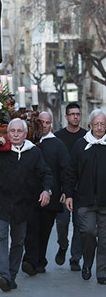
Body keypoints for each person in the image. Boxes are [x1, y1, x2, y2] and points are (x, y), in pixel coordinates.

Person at [0, 118, 53, 292]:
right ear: (7, 133)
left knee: (18, 242)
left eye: (19, 131)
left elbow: (45, 173)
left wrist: (46, 190)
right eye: (12, 131)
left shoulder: (33, 152)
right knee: (1, 238)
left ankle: (11, 275)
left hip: (23, 205)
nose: (16, 134)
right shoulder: (0, 150)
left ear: (25, 134)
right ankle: (3, 275)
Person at [22, 112, 69, 275]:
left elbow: (65, 169)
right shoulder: (28, 142)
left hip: (51, 194)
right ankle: (29, 260)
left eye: (47, 123)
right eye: (40, 122)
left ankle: (40, 261)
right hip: (30, 194)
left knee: (44, 230)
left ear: (51, 125)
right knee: (30, 228)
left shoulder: (58, 145)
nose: (43, 126)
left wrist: (65, 191)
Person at [64, 109, 106, 284]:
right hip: (84, 200)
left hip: (105, 201)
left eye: (103, 124)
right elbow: (71, 172)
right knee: (88, 232)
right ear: (90, 125)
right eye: (96, 124)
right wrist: (69, 195)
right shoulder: (81, 145)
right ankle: (87, 263)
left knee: (104, 239)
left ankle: (102, 272)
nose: (99, 127)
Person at [54, 102, 87, 271]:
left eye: (78, 114)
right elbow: (54, 166)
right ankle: (63, 245)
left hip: (82, 190)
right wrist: (60, 190)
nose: (75, 117)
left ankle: (76, 258)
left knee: (80, 225)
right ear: (66, 117)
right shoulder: (57, 137)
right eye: (72, 114)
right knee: (62, 222)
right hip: (63, 191)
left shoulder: (86, 137)